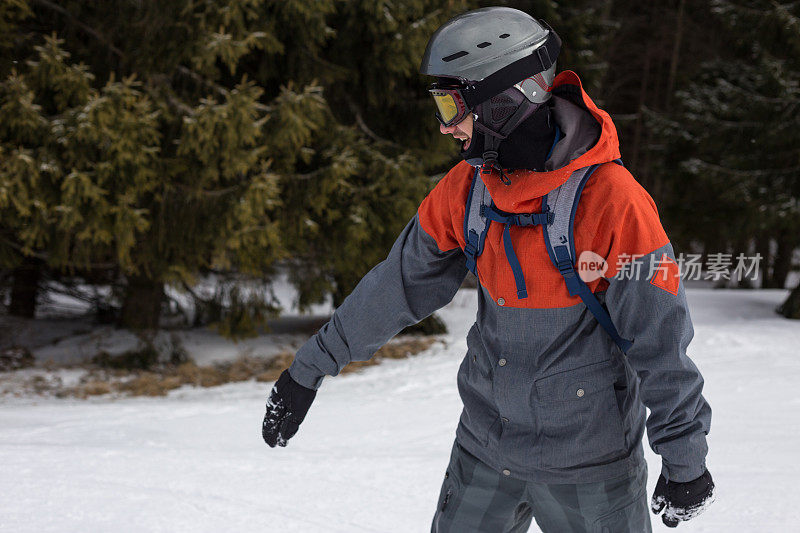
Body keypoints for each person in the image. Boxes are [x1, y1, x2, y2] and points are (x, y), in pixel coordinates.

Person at [262, 7, 715, 532]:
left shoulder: (614, 204)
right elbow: (394, 287)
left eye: (453, 104)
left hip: (588, 468)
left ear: (505, 100)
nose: (444, 125)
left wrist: (685, 460)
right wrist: (307, 370)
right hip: (484, 451)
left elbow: (660, 340)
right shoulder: (468, 190)